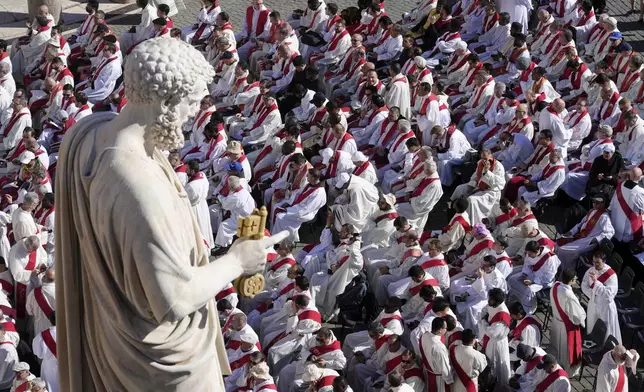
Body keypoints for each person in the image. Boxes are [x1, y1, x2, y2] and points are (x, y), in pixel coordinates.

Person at [55, 39, 293, 390]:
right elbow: (175, 298)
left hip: (113, 333)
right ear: (165, 103)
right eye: (193, 101)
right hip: (164, 362)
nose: (195, 112)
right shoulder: (138, 186)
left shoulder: (90, 131)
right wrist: (238, 261)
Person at [556, 196, 614, 269]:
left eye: (597, 203)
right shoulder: (592, 211)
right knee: (558, 244)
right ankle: (558, 264)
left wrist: (596, 239)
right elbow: (581, 223)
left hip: (588, 240)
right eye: (594, 202)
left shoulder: (604, 217)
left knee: (565, 251)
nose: (595, 204)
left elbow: (610, 232)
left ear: (603, 204)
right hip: (580, 235)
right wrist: (571, 232)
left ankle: (567, 269)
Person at [451, 149, 506, 224]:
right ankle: (454, 211)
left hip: (491, 191)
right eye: (482, 158)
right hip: (478, 186)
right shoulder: (480, 163)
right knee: (459, 188)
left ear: (491, 156)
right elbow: (475, 176)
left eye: (486, 158)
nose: (484, 161)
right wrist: (470, 187)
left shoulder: (498, 166)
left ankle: (469, 222)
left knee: (471, 200)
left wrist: (487, 172)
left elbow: (500, 183)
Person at [272, 168, 327, 242]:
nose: (306, 176)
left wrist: (288, 209)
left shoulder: (319, 193)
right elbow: (298, 193)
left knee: (280, 217)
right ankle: (275, 234)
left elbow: (307, 209)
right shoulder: (309, 185)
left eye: (308, 175)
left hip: (304, 213)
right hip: (297, 207)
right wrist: (289, 203)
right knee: (276, 206)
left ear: (313, 178)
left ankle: (285, 240)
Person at [550, 269, 586, 377]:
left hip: (556, 321)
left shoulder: (555, 285)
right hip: (565, 327)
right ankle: (566, 370)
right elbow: (578, 315)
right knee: (565, 350)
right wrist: (582, 319)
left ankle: (554, 364)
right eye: (575, 279)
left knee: (556, 345)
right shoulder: (568, 294)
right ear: (571, 280)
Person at [581, 251, 622, 344]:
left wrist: (596, 283)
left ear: (604, 261)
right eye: (594, 262)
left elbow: (609, 295)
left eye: (597, 262)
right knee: (592, 324)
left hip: (605, 306)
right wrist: (593, 294)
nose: (595, 265)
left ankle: (607, 347)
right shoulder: (591, 270)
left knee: (606, 329)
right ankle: (592, 345)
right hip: (593, 302)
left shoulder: (611, 275)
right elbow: (584, 285)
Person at [419, 317, 452, 392]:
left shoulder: (424, 336)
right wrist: (449, 380)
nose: (446, 330)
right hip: (439, 380)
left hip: (429, 373)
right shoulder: (439, 347)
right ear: (440, 329)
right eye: (445, 328)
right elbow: (444, 367)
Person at [32, 311, 57, 392]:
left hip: (49, 367)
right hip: (68, 365)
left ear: (50, 320)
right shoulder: (70, 333)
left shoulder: (41, 336)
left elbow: (37, 353)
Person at [26, 267, 55, 337]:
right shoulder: (62, 293)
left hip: (40, 326)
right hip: (57, 326)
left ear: (44, 277)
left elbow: (29, 311)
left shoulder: (34, 292)